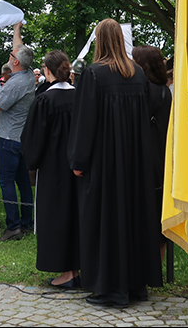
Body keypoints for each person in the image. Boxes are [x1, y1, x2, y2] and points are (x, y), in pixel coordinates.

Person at [68, 19, 162, 307]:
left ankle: (112, 289)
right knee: (132, 219)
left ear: (99, 41)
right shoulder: (137, 74)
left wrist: (78, 159)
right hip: (135, 164)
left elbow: (85, 123)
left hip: (106, 165)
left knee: (105, 221)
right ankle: (135, 286)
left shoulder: (94, 75)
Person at [21, 50, 80, 288]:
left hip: (53, 171)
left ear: (47, 70)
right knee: (77, 217)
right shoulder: (80, 97)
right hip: (80, 170)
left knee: (57, 218)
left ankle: (67, 273)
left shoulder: (44, 100)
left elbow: (32, 140)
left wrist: (32, 161)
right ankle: (78, 268)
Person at [0, 22, 35, 242]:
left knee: (7, 182)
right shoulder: (28, 73)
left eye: (12, 55)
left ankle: (13, 227)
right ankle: (27, 222)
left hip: (9, 140)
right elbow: (19, 47)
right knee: (23, 182)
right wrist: (16, 28)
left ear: (16, 62)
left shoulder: (14, 84)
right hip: (22, 140)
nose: (10, 55)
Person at [132, 44, 172, 263]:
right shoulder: (166, 91)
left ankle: (140, 264)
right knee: (158, 215)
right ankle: (156, 264)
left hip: (141, 158)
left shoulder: (140, 92)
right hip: (161, 158)